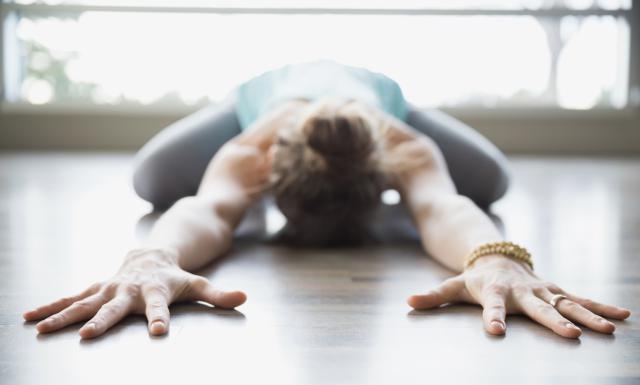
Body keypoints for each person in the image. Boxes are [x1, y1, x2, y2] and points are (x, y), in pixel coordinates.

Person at [23, 59, 630, 339]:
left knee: (489, 181)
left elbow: (443, 207)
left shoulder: (404, 143)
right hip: (257, 97)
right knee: (153, 179)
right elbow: (207, 207)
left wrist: (496, 258)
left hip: (383, 96)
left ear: (387, 173)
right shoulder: (251, 145)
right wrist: (151, 256)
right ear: (268, 179)